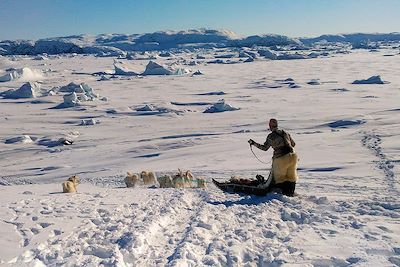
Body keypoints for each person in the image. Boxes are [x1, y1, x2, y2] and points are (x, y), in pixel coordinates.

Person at [248, 118, 298, 196]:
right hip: (293, 156)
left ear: (270, 126)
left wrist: (253, 143)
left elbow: (264, 148)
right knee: (291, 176)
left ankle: (283, 194)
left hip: (281, 158)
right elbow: (293, 144)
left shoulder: (271, 136)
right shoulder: (285, 133)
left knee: (280, 177)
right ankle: (291, 192)